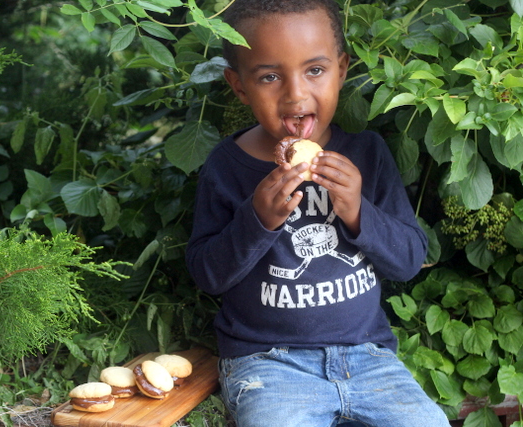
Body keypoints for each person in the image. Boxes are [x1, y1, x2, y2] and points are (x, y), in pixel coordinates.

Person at [185, 0, 450, 426]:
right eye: (269, 76)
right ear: (238, 86)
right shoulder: (227, 167)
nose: (295, 94)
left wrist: (357, 209)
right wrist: (258, 219)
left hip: (368, 359)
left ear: (341, 69)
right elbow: (207, 274)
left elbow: (408, 261)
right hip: (269, 363)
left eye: (315, 70)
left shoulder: (367, 154)